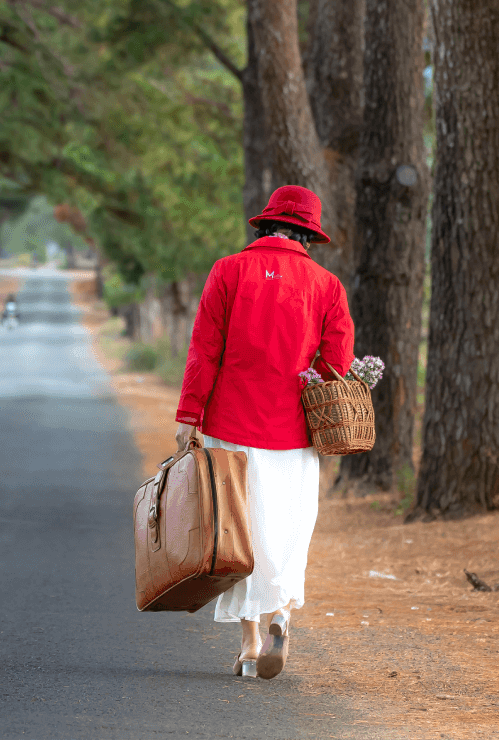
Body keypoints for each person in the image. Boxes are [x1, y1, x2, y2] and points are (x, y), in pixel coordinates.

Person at [173, 184, 354, 680]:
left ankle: (251, 641)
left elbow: (204, 349)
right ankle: (282, 618)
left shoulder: (228, 270)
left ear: (266, 225)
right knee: (287, 528)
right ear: (307, 236)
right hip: (293, 431)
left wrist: (189, 416)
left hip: (230, 424)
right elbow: (337, 362)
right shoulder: (326, 285)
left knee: (238, 530)